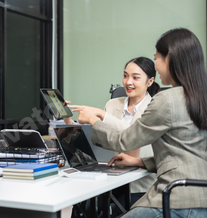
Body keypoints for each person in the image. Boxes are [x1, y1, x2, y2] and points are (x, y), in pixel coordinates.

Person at [71, 28, 207, 217]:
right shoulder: (200, 97)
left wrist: (94, 120)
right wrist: (140, 162)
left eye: (157, 58)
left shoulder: (165, 100)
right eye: (126, 76)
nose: (156, 66)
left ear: (170, 59)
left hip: (175, 198)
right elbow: (187, 153)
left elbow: (124, 141)